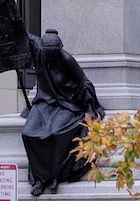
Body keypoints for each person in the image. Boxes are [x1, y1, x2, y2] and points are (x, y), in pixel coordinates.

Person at [21, 29, 105, 196]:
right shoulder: (37, 49)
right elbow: (21, 31)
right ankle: (39, 177)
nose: (50, 57)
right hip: (44, 103)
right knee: (28, 133)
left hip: (67, 104)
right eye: (48, 53)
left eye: (54, 53)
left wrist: (91, 107)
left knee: (56, 132)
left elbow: (84, 82)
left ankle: (54, 175)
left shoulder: (66, 59)